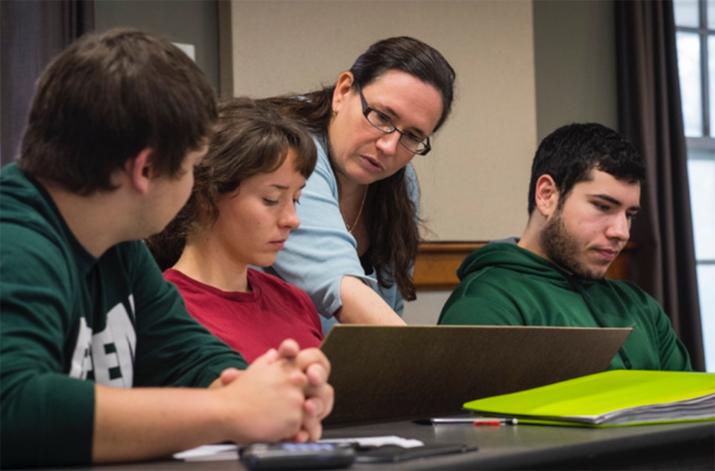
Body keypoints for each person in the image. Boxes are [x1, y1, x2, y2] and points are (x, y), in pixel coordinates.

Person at [0, 29, 333, 468]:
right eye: (193, 167)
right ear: (147, 168)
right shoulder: (15, 243)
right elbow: (13, 408)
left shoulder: (117, 247)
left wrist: (276, 391)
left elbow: (187, 357)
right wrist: (232, 411)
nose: (194, 183)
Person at [438, 123, 692, 371]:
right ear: (547, 195)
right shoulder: (486, 304)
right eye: (603, 207)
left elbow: (690, 408)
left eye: (629, 215)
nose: (621, 232)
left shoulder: (641, 306)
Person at [261, 36, 456, 330]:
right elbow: (339, 286)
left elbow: (390, 305)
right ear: (342, 91)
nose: (390, 146)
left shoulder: (402, 183)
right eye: (381, 116)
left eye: (412, 136)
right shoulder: (291, 152)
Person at [148, 98, 323, 362]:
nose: (292, 219)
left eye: (296, 199)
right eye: (271, 199)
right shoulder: (166, 310)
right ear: (207, 196)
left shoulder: (293, 300)